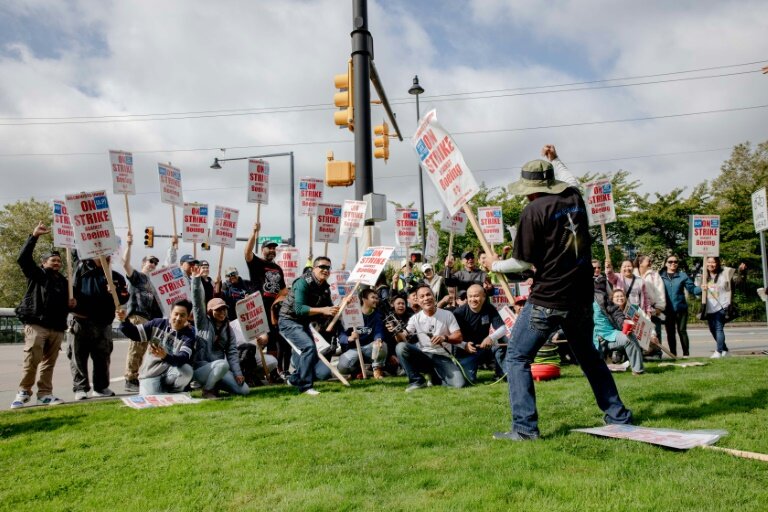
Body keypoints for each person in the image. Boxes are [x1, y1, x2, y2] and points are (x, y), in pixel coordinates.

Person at [488, 144, 632, 441]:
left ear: (530, 190)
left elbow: (522, 263)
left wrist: (494, 264)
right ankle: (618, 416)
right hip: (581, 297)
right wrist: (555, 159)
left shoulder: (532, 212)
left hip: (548, 297)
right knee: (589, 357)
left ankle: (525, 430)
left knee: (517, 357)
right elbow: (572, 180)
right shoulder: (575, 198)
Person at [11, 222, 75, 408]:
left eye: (59, 261)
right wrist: (34, 236)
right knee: (32, 359)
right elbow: (23, 259)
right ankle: (24, 392)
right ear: (44, 263)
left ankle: (45, 394)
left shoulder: (64, 282)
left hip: (57, 327)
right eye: (53, 260)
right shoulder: (37, 275)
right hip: (37, 324)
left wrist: (72, 303)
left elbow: (70, 303)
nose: (57, 263)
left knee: (49, 363)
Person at [69, 254, 129, 400]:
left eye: (108, 254)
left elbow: (125, 296)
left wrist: (115, 292)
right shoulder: (81, 271)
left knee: (102, 357)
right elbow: (76, 253)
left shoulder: (116, 277)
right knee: (78, 357)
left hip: (104, 323)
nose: (106, 257)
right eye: (101, 254)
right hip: (81, 321)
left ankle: (101, 387)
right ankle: (80, 388)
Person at [278, 256, 338, 395]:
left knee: (313, 354)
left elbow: (328, 309)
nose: (326, 270)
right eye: (322, 267)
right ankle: (306, 387)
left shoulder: (325, 287)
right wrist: (323, 310)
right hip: (288, 320)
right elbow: (299, 309)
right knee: (309, 347)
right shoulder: (302, 283)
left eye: (328, 268)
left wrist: (341, 305)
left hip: (303, 322)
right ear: (313, 268)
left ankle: (294, 379)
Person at [395, 284, 466, 391]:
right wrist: (396, 332)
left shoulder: (447, 314)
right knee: (401, 347)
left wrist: (444, 338)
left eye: (428, 295)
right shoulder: (415, 318)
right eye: (422, 296)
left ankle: (434, 377)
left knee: (459, 385)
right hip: (424, 356)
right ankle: (417, 381)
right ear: (418, 301)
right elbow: (403, 338)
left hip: (443, 357)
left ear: (434, 297)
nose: (426, 298)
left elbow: (459, 337)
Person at [117, 299, 195, 395]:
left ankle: (175, 392)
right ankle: (159, 390)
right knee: (149, 399)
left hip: (170, 373)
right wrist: (124, 321)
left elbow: (183, 358)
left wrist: (165, 356)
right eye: (176, 314)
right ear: (170, 313)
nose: (178, 318)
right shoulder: (157, 323)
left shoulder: (189, 336)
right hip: (151, 374)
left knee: (187, 371)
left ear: (188, 316)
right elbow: (134, 333)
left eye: (182, 315)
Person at [191, 271, 249, 397]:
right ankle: (208, 390)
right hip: (201, 368)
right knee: (223, 364)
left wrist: (237, 373)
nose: (222, 312)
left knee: (244, 390)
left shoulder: (228, 329)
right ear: (210, 312)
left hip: (220, 369)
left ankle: (215, 384)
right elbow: (197, 304)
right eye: (218, 310)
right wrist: (196, 280)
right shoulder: (202, 322)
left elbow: (232, 352)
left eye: (224, 309)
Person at [121, 231, 163, 393]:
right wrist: (129, 245)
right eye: (150, 261)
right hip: (137, 316)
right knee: (136, 348)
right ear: (143, 263)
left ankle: (136, 377)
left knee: (144, 350)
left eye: (155, 263)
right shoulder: (137, 276)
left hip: (148, 319)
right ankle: (130, 378)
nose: (153, 264)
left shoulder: (153, 283)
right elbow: (125, 264)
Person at [244, 230, 287, 376]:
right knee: (258, 340)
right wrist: (253, 233)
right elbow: (247, 252)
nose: (272, 250)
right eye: (269, 248)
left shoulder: (278, 268)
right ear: (262, 249)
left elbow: (283, 290)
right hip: (258, 308)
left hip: (273, 311)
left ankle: (273, 371)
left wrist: (281, 300)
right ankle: (251, 372)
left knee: (274, 340)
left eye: (274, 248)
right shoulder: (257, 263)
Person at [452, 284, 508, 382]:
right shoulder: (458, 313)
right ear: (467, 298)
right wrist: (464, 345)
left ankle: (501, 374)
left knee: (503, 339)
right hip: (465, 352)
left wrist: (491, 338)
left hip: (484, 348)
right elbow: (452, 337)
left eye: (476, 296)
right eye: (470, 296)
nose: (473, 299)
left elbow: (503, 329)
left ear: (483, 297)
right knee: (468, 380)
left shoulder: (489, 308)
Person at [338, 289, 387, 379]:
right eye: (373, 297)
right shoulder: (351, 314)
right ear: (364, 299)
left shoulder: (377, 315)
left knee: (382, 345)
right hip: (354, 349)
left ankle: (377, 369)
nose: (376, 300)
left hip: (369, 348)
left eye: (377, 298)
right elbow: (341, 336)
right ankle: (357, 371)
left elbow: (378, 331)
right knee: (342, 366)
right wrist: (349, 338)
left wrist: (378, 339)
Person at [593, 290, 645, 374]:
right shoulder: (580, 303)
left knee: (629, 337)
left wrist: (623, 323)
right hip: (594, 339)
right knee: (596, 371)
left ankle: (638, 371)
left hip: (610, 334)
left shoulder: (601, 297)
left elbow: (616, 312)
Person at [660, 255, 701, 357]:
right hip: (667, 310)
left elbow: (692, 289)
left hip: (681, 309)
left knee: (682, 331)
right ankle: (673, 354)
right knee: (670, 333)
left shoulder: (682, 276)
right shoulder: (660, 276)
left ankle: (686, 354)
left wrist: (701, 289)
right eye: (670, 262)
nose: (673, 263)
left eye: (675, 262)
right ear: (666, 263)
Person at [703, 257, 743, 358]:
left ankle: (718, 351)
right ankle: (725, 350)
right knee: (712, 330)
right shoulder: (704, 276)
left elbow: (738, 282)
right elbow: (699, 291)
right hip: (709, 307)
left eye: (713, 262)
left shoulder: (724, 274)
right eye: (708, 262)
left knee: (718, 328)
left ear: (717, 263)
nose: (711, 264)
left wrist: (741, 272)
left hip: (722, 306)